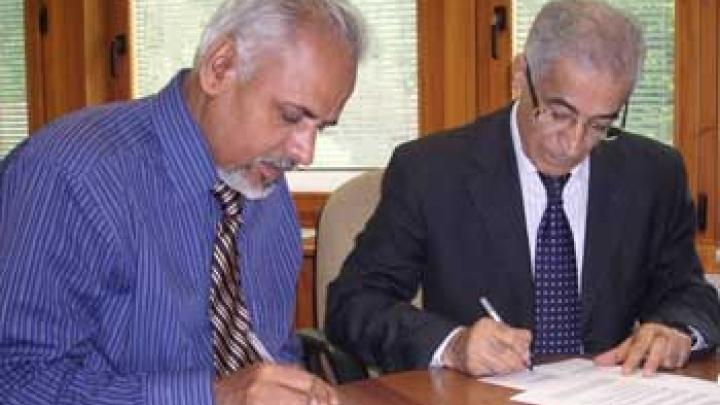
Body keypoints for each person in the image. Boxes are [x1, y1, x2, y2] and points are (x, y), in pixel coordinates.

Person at [326, 0, 720, 378]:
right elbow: (354, 303)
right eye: (559, 113)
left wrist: (677, 329)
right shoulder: (432, 172)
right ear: (520, 75)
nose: (574, 143)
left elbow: (688, 290)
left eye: (600, 125)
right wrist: (453, 344)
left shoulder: (653, 174)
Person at [0, 0, 363, 404]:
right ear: (219, 68)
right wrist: (211, 398)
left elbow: (268, 351)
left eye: (322, 127)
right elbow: (14, 381)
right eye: (292, 116)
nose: (305, 152)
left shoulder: (265, 190)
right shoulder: (68, 175)